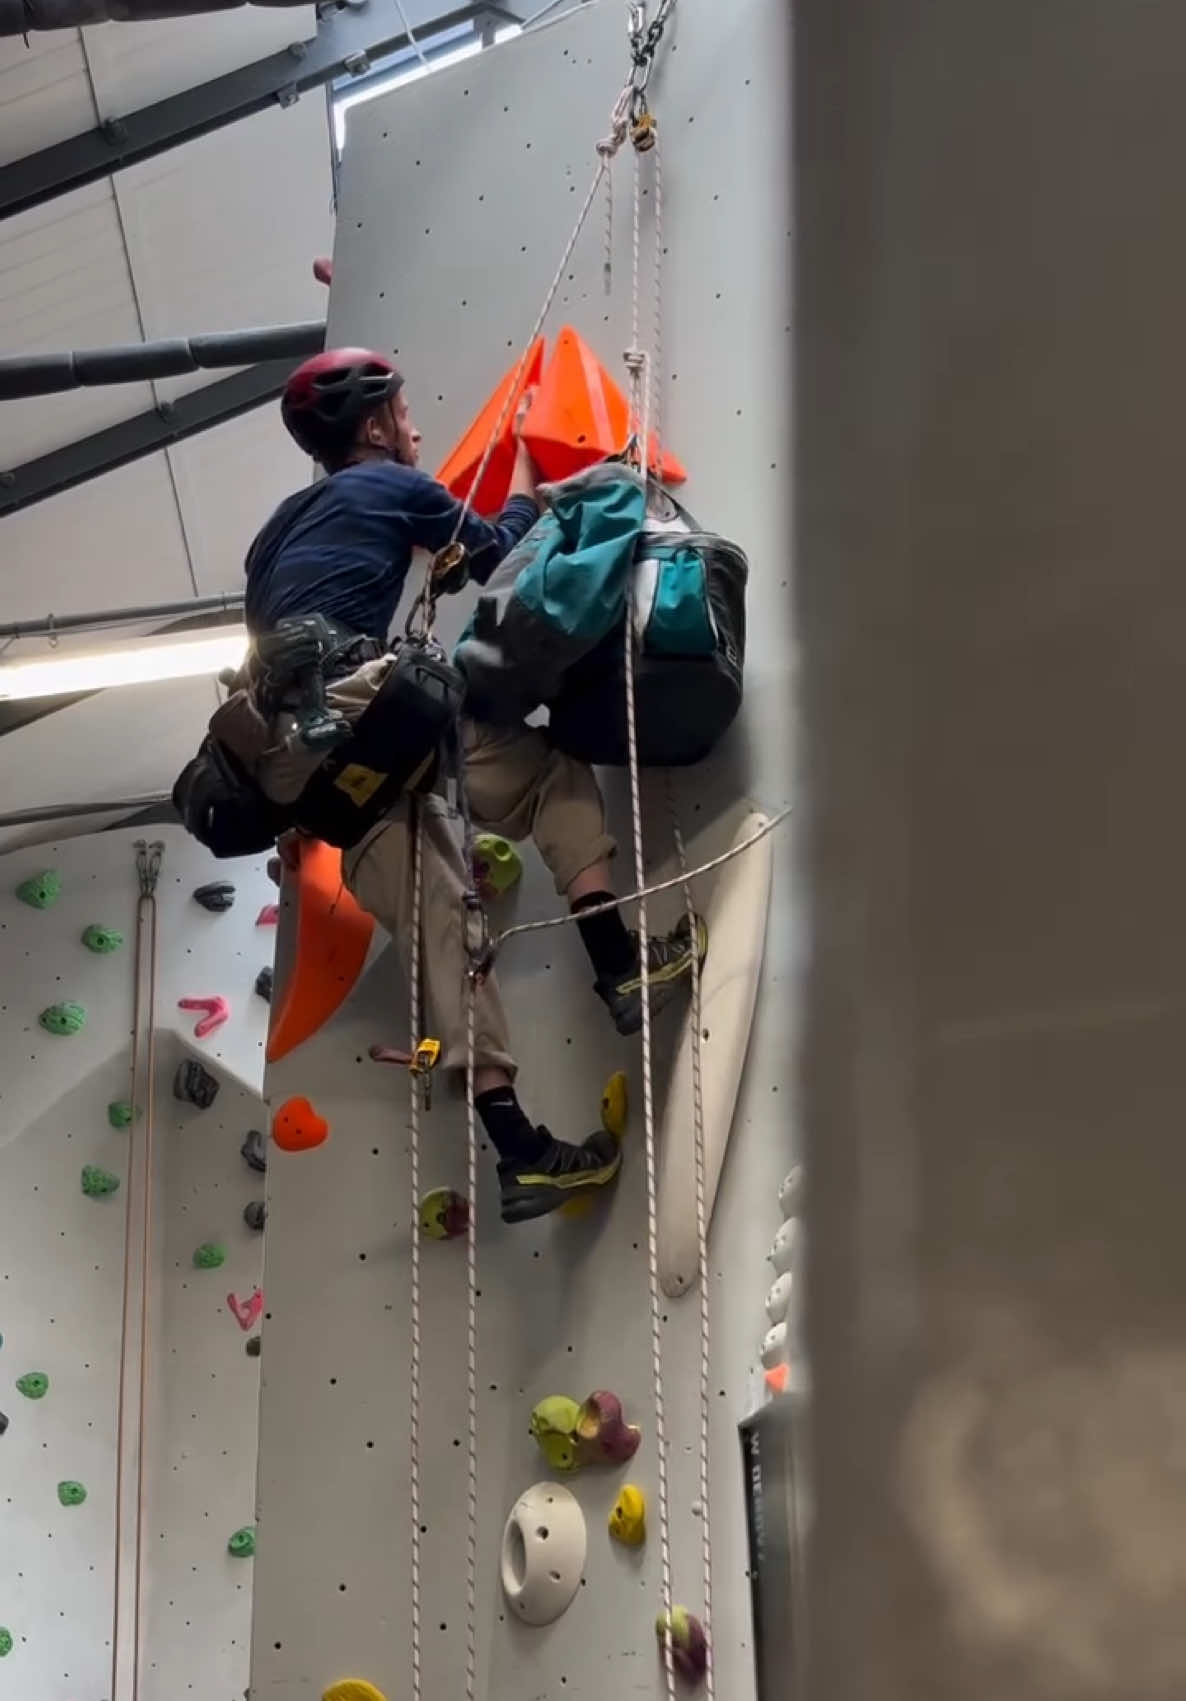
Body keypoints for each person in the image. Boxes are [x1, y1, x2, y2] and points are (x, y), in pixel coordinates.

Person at [244, 347, 704, 1222]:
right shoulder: (389, 487)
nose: (416, 427)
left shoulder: (275, 535)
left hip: (315, 774)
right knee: (537, 786)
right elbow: (494, 547)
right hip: (372, 719)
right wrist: (533, 474)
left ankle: (521, 1144)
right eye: (405, 412)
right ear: (374, 427)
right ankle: (617, 965)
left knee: (445, 917)